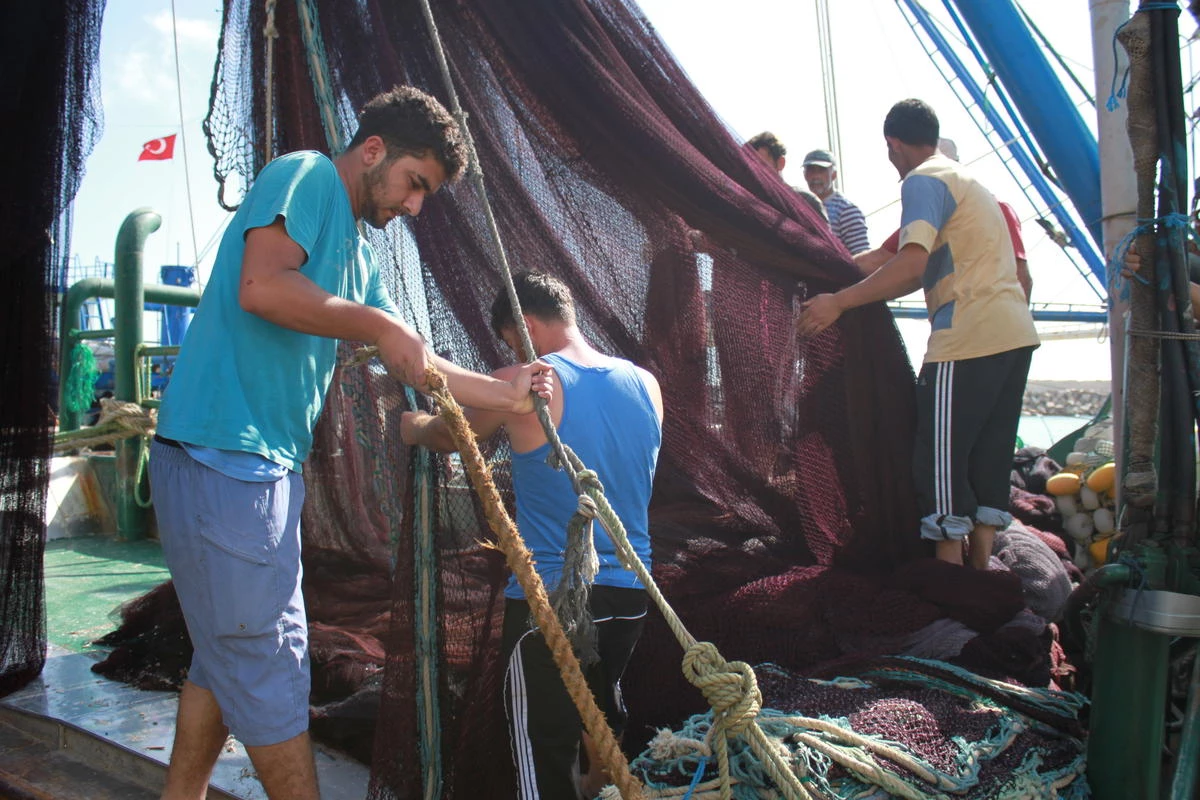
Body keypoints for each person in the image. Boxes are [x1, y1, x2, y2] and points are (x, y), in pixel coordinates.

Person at [149, 86, 553, 800]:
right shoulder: (304, 175)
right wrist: (375, 325)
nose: (415, 206)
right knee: (269, 661)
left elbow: (414, 358)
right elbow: (262, 287)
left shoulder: (359, 258)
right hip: (224, 458)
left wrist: (506, 390)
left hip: (259, 468)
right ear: (373, 150)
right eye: (414, 183)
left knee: (224, 657)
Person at [400, 272, 663, 799]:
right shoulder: (646, 383)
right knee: (601, 713)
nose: (516, 354)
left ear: (524, 328)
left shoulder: (526, 383)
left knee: (543, 754)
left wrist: (410, 423)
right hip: (631, 593)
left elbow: (448, 434)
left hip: (550, 602)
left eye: (513, 343)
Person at [796, 98, 1038, 570]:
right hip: (1015, 337)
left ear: (894, 145)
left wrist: (838, 303)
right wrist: (826, 273)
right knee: (988, 456)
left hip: (967, 338)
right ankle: (981, 572)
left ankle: (950, 580)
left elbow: (912, 266)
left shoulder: (923, 179)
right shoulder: (968, 182)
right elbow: (883, 259)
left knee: (939, 462)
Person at [857, 137, 1033, 303]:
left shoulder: (998, 209)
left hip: (981, 319)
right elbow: (879, 260)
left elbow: (1020, 276)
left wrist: (840, 300)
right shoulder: (929, 219)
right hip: (961, 320)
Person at [745, 131, 829, 222]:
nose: (756, 171)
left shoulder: (806, 202)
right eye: (751, 166)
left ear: (781, 163)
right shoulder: (747, 203)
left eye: (762, 165)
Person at [801, 147, 870, 254]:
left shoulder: (847, 210)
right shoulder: (800, 206)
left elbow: (862, 256)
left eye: (821, 170)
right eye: (811, 170)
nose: (815, 176)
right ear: (804, 175)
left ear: (834, 175)